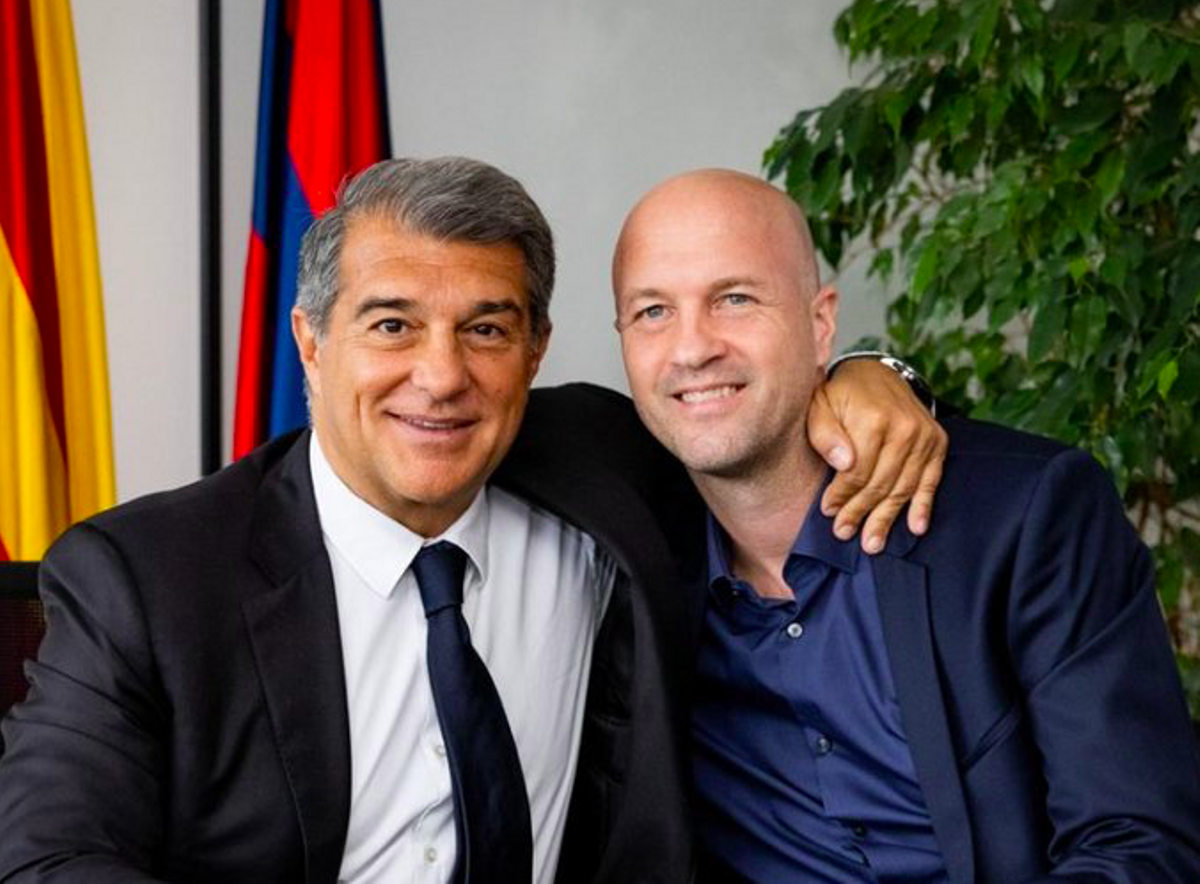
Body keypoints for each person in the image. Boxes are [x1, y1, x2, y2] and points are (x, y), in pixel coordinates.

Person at [0, 157, 943, 884]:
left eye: (486, 329)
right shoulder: (147, 579)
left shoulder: (608, 467)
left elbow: (745, 406)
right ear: (310, 341)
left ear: (535, 350)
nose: (443, 376)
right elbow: (49, 860)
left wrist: (873, 375)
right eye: (392, 325)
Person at [610, 168, 1200, 883]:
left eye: (734, 298)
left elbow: (1138, 847)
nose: (691, 347)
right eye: (652, 312)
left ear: (821, 322)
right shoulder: (628, 549)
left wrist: (878, 368)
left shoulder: (1025, 515)